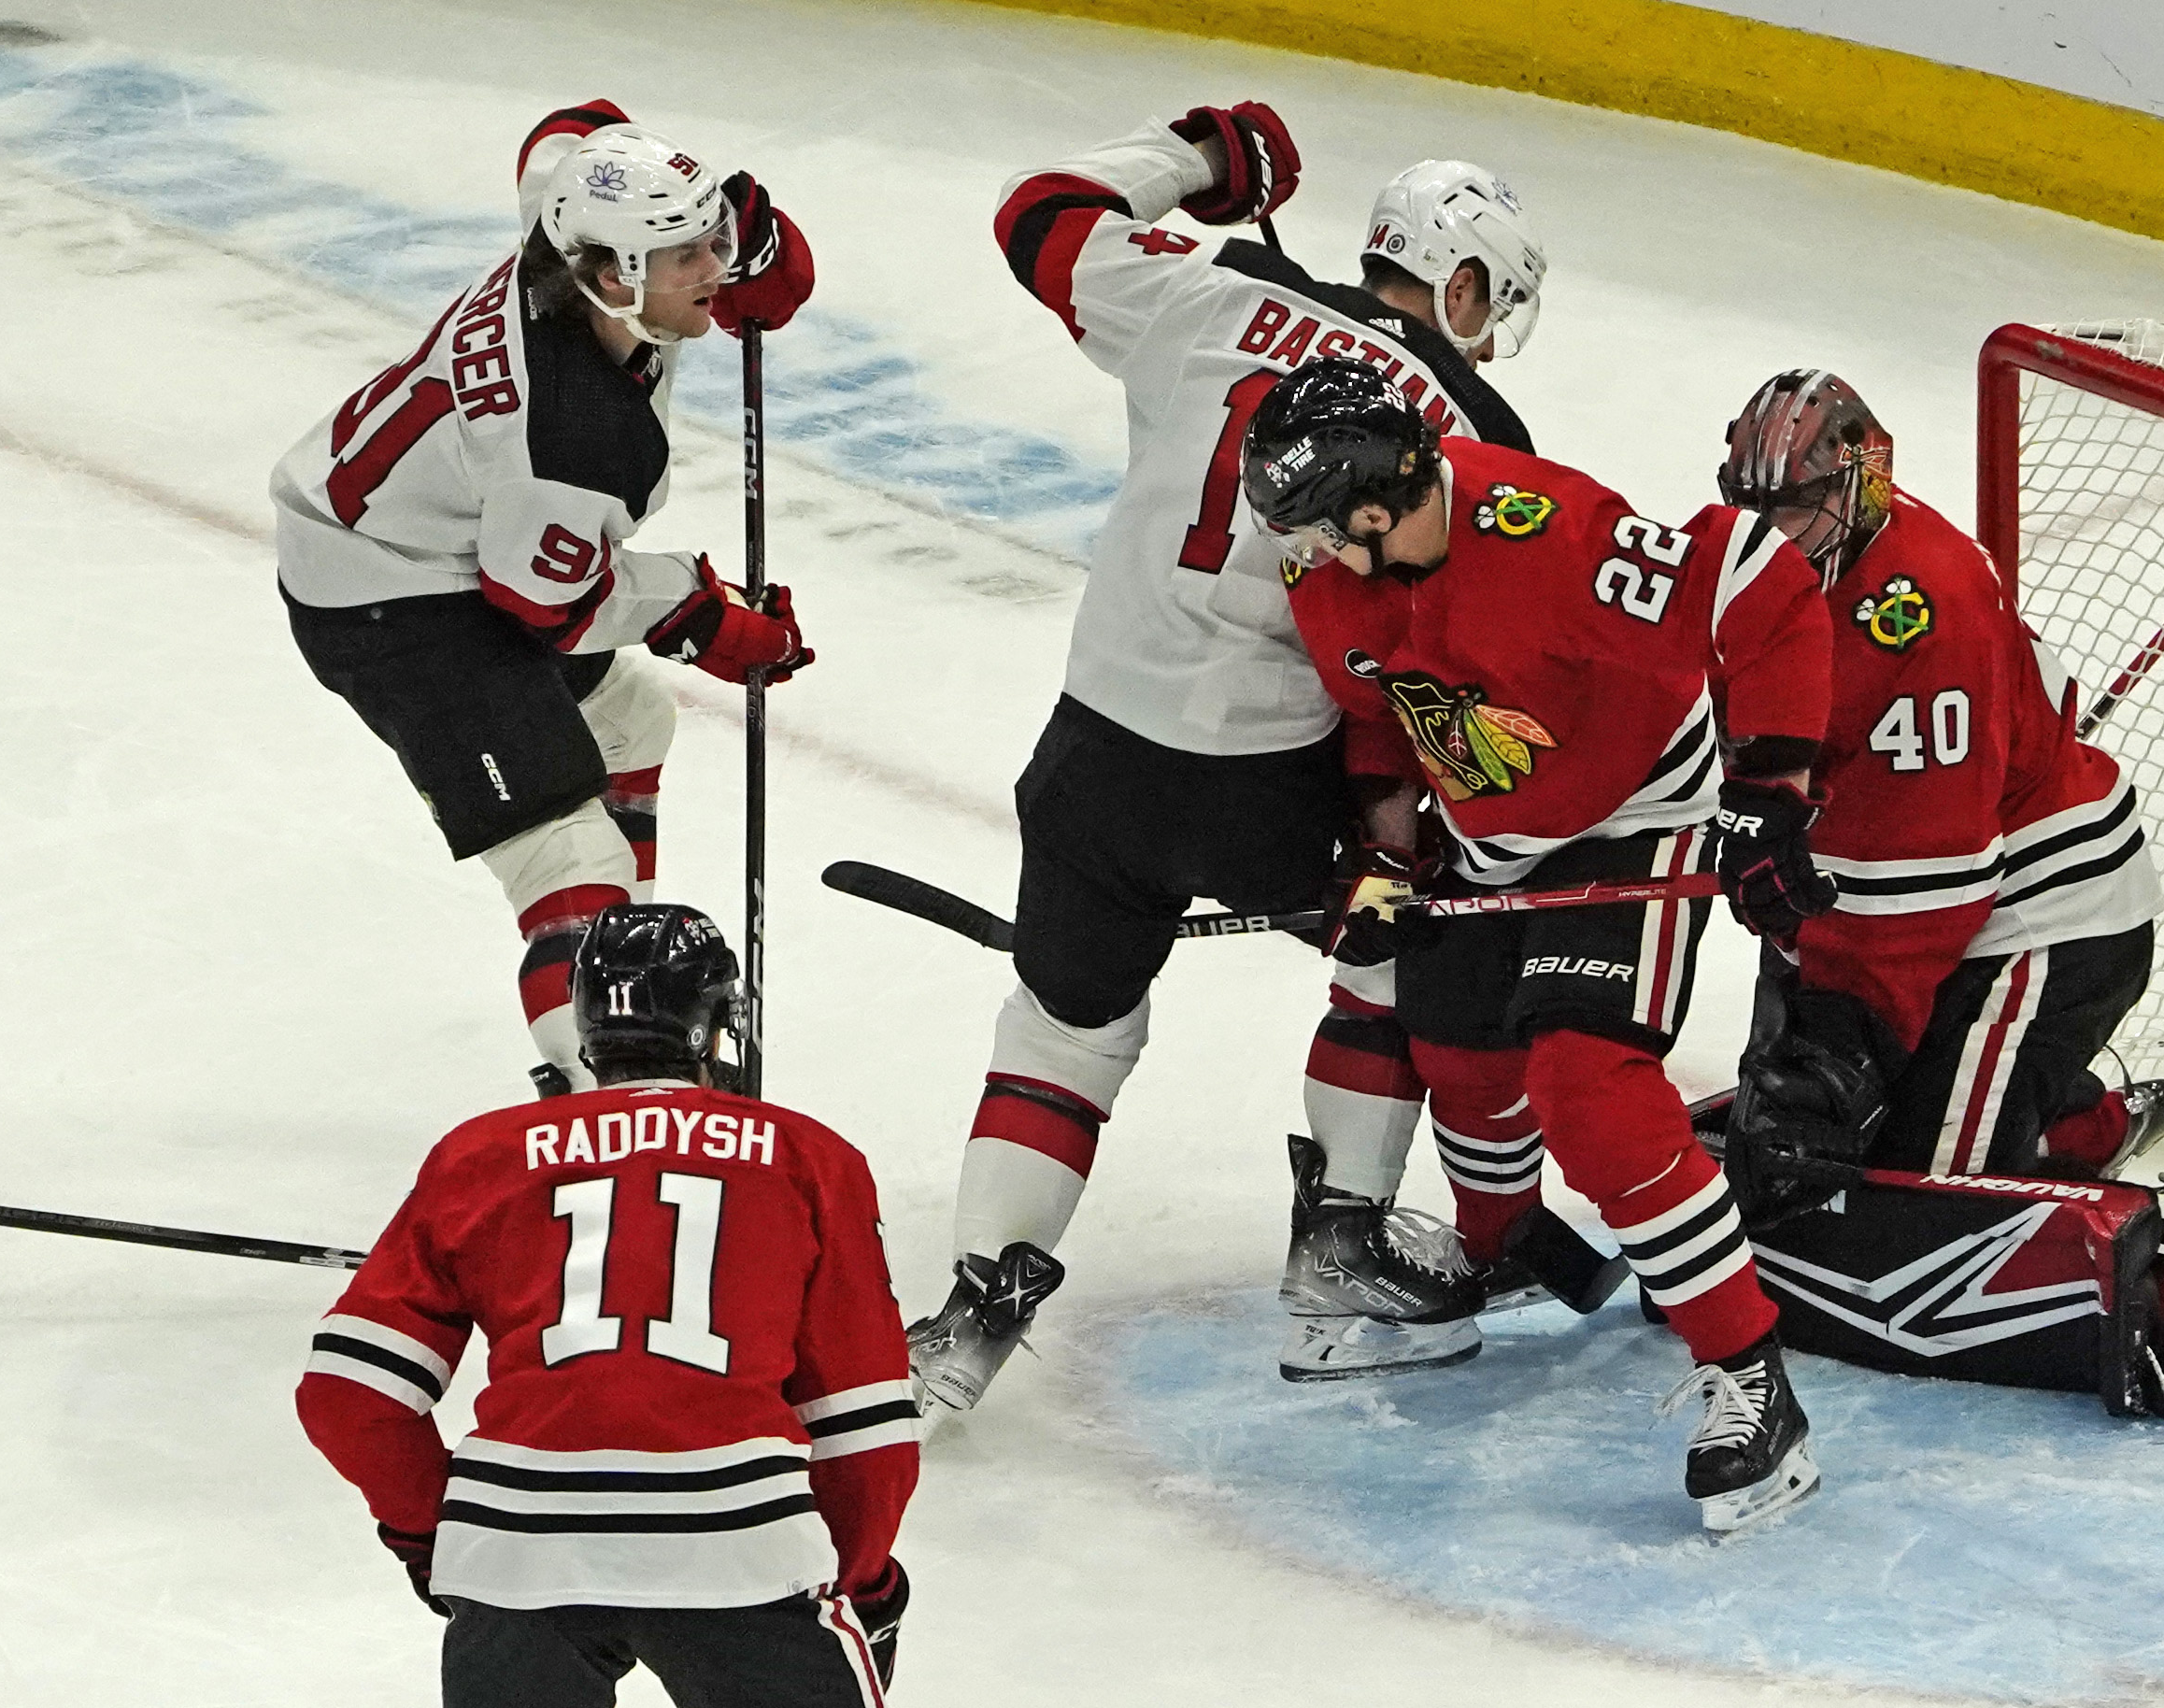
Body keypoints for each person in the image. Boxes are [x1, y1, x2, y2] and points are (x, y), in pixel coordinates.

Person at [912, 100, 1554, 1409]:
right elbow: (1433, 654)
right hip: (1276, 788)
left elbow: (1037, 211)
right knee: (1392, 952)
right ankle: (1339, 1249)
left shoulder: (1208, 293)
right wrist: (1402, 829)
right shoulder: (1471, 425)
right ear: (1466, 282)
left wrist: (1200, 154)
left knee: (1065, 1026)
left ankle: (972, 1308)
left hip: (1090, 758)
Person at [1245, 357, 1836, 1533]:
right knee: (1459, 1050)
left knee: (1589, 1089)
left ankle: (1754, 1378)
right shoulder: (1341, 581)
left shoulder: (1550, 535)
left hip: (1634, 826)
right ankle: (1502, 1248)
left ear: (1374, 507)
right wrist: (1381, 838)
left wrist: (1770, 789)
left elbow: (1757, 579)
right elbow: (1384, 720)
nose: (1294, 554)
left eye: (1312, 529)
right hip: (1489, 832)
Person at [1708, 368, 2164, 1422]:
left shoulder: (1924, 610)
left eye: (1799, 507)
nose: (1773, 535)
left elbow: (1933, 892)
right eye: (1755, 508)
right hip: (1900, 884)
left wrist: (1836, 1044)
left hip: (2038, 916)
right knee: (1797, 1158)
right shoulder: (1756, 570)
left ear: (1865, 481)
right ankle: (2075, 1116)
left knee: (1925, 1200)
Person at [270, 101, 818, 1096]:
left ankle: (622, 985)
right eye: (687, 254)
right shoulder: (567, 435)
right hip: (390, 601)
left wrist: (753, 230)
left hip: (435, 531)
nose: (715, 271)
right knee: (567, 854)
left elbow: (575, 131)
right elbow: (541, 609)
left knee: (632, 718)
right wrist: (699, 613)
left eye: (714, 242)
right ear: (613, 279)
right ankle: (617, 1084)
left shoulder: (571, 235)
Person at [296, 904, 917, 1706]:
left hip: (517, 1555)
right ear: (718, 1022)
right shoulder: (807, 1158)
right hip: (738, 1551)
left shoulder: (478, 1156)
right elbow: (863, 1426)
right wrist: (863, 1585)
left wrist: (436, 1534)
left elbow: (349, 1395)